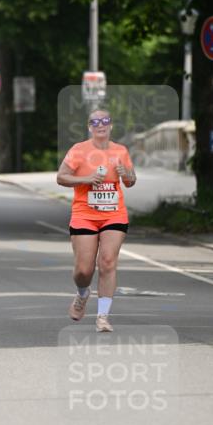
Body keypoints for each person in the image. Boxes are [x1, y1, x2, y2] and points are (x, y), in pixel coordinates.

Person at [56, 108, 136, 332]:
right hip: (85, 214)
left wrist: (126, 174)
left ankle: (103, 316)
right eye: (95, 122)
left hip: (114, 214)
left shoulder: (120, 150)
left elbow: (131, 181)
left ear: (111, 125)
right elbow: (61, 177)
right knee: (84, 270)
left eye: (105, 121)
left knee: (108, 261)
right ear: (89, 127)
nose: (100, 124)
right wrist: (87, 179)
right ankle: (82, 294)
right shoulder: (79, 150)